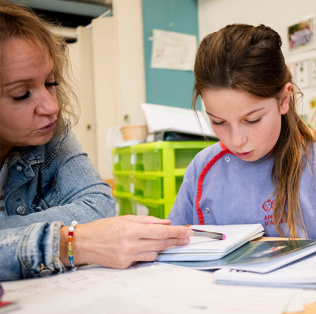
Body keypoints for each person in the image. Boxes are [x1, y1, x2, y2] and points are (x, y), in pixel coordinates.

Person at [0, 1, 192, 281]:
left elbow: (98, 206)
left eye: (51, 83)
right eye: (21, 94)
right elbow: (85, 230)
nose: (51, 107)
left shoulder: (52, 133)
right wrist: (69, 243)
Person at [168, 24, 316, 242]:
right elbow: (173, 251)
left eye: (252, 120)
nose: (236, 141)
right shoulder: (202, 168)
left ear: (284, 100)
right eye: (218, 122)